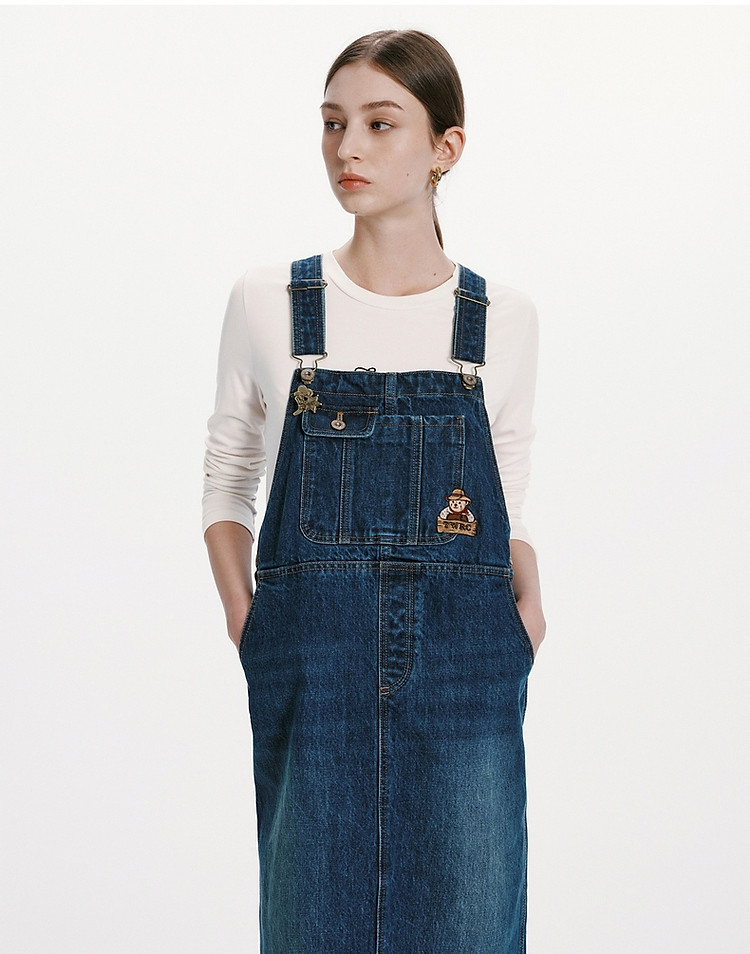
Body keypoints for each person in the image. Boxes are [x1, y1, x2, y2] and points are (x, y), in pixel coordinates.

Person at [203, 29, 545, 954]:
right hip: (310, 655)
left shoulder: (500, 319)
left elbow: (508, 484)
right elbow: (228, 475)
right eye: (332, 123)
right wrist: (248, 619)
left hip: (469, 657)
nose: (347, 148)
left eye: (380, 123)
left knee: (471, 919)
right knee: (312, 921)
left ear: (445, 147)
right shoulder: (271, 300)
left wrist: (526, 608)